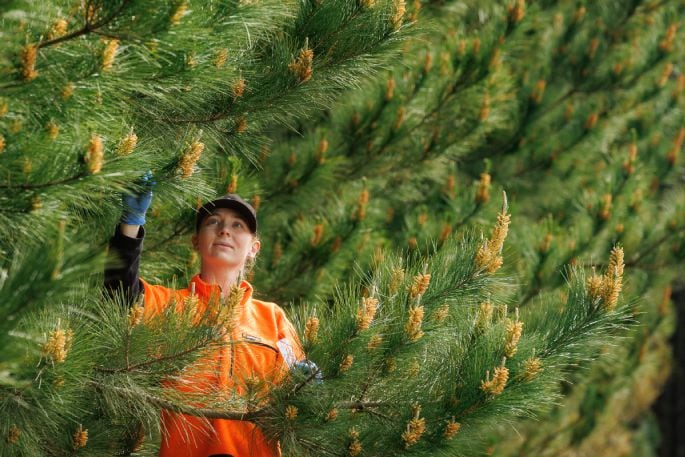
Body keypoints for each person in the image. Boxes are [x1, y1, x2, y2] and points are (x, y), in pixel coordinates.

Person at [105, 180, 306, 457]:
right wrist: (130, 225)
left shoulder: (273, 318)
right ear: (196, 241)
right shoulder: (170, 306)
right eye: (213, 222)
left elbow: (299, 407)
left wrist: (311, 388)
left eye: (238, 225)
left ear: (254, 249)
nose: (225, 229)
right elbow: (120, 295)